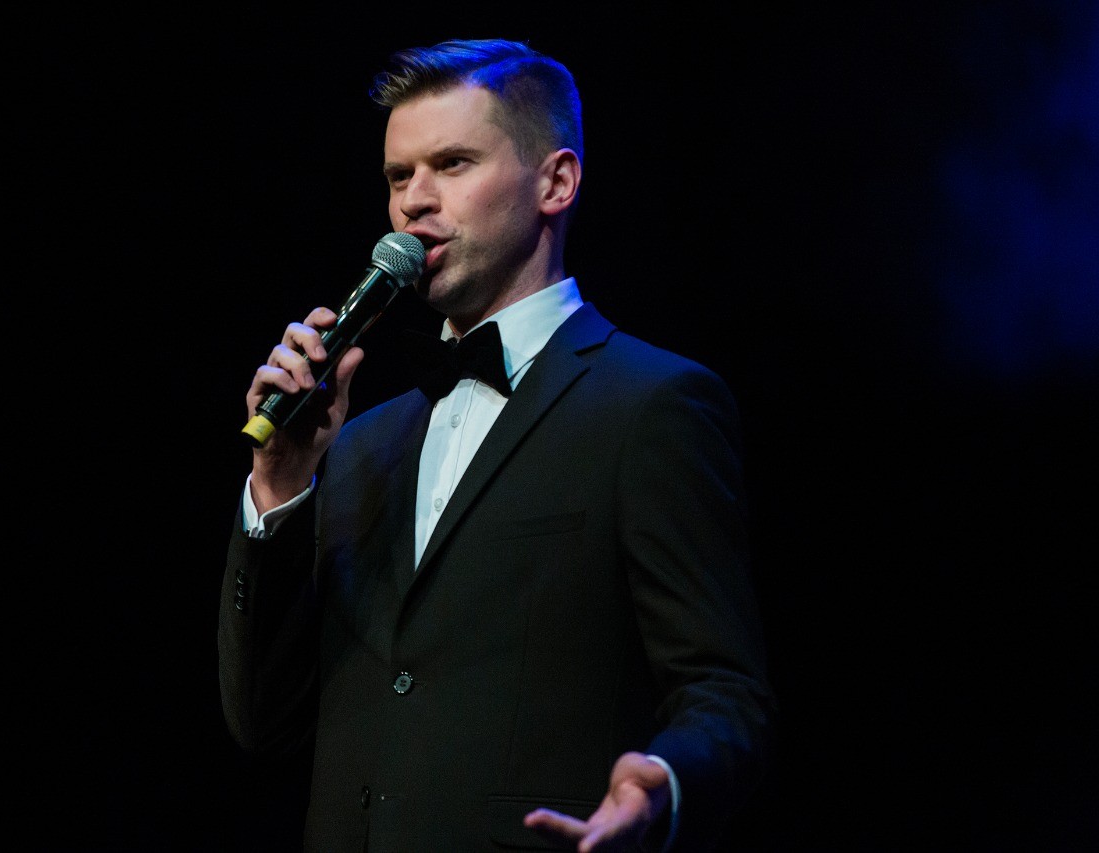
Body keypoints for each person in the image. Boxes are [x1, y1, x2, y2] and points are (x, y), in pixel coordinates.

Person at [218, 37, 776, 852]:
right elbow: (264, 720)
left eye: (451, 164)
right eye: (398, 176)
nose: (414, 200)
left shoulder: (650, 405)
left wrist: (665, 779)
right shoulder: (362, 443)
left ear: (556, 182)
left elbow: (724, 691)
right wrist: (279, 488)